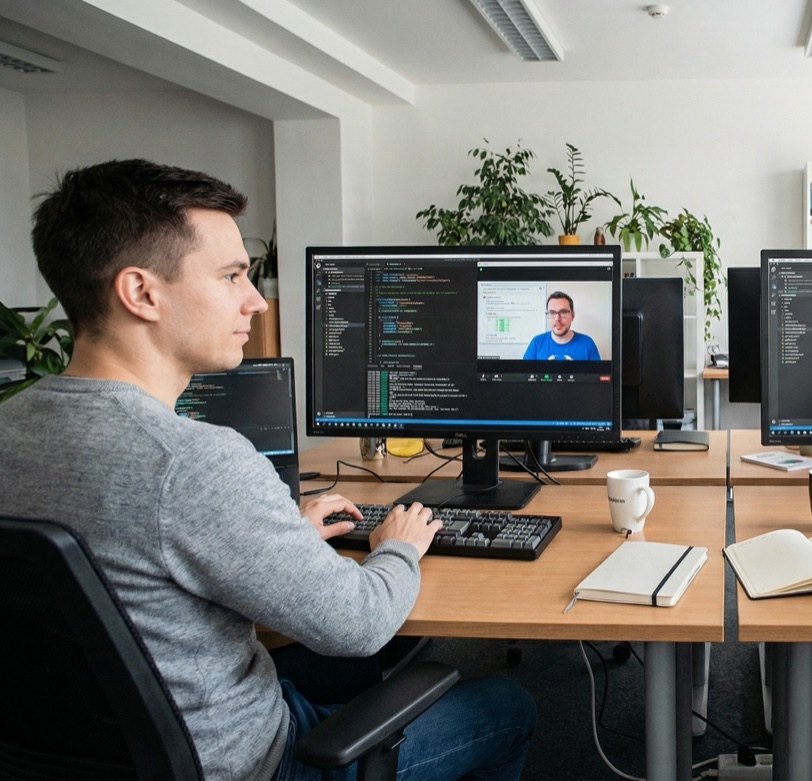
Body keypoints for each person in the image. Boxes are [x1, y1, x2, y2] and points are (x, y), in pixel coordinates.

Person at [0, 159, 535, 781]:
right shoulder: (195, 462)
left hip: (70, 758)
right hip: (244, 763)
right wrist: (398, 547)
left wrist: (282, 540)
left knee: (328, 671)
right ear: (141, 292)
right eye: (231, 276)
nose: (255, 300)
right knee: (508, 706)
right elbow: (358, 623)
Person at [523, 291, 601, 360]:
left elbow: (596, 376)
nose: (557, 319)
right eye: (552, 313)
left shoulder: (587, 344)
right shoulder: (536, 343)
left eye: (563, 312)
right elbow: (525, 375)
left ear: (572, 316)